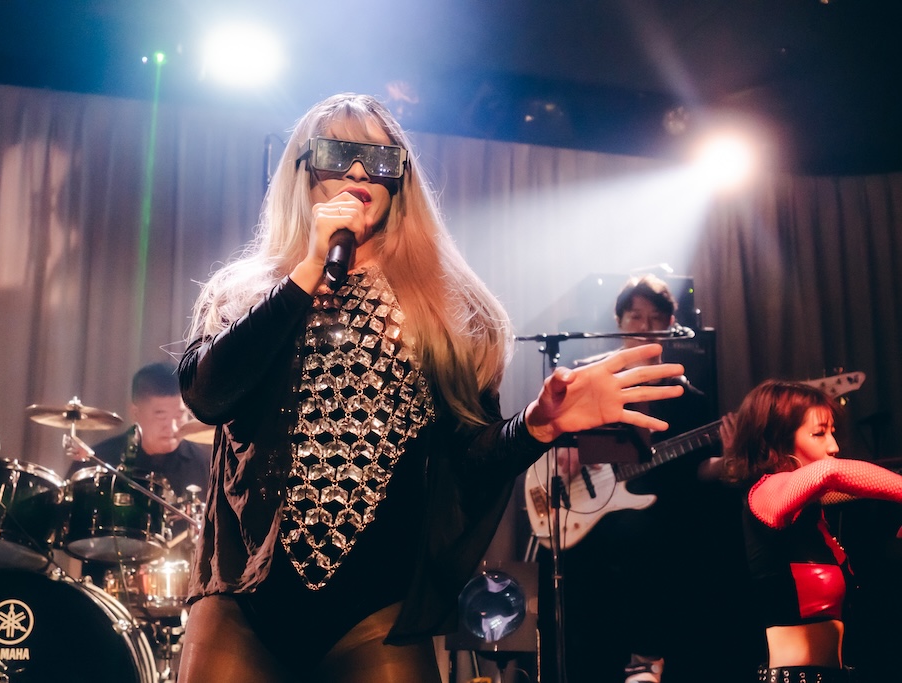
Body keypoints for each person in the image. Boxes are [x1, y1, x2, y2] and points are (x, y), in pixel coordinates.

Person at [176, 92, 687, 683]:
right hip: (242, 602)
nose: (360, 172)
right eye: (339, 154)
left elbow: (466, 460)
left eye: (379, 159)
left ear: (401, 180)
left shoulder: (446, 311)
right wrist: (307, 271)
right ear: (303, 168)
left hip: (372, 614)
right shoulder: (243, 292)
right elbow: (208, 395)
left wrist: (537, 427)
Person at [544, 274, 727, 683]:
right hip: (589, 527)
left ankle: (650, 659)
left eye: (656, 317)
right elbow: (548, 436)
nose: (645, 326)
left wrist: (726, 465)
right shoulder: (587, 382)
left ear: (671, 324)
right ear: (619, 321)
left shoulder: (690, 400)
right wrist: (564, 448)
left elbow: (699, 470)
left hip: (660, 538)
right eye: (636, 316)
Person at [720, 379, 902, 682]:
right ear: (778, 439)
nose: (834, 446)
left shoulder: (807, 505)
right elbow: (830, 472)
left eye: (832, 432)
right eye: (819, 433)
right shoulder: (766, 492)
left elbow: (860, 487)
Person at [67, 361, 211, 498]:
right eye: (161, 416)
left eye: (180, 415)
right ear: (135, 414)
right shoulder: (99, 461)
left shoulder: (203, 465)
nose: (173, 428)